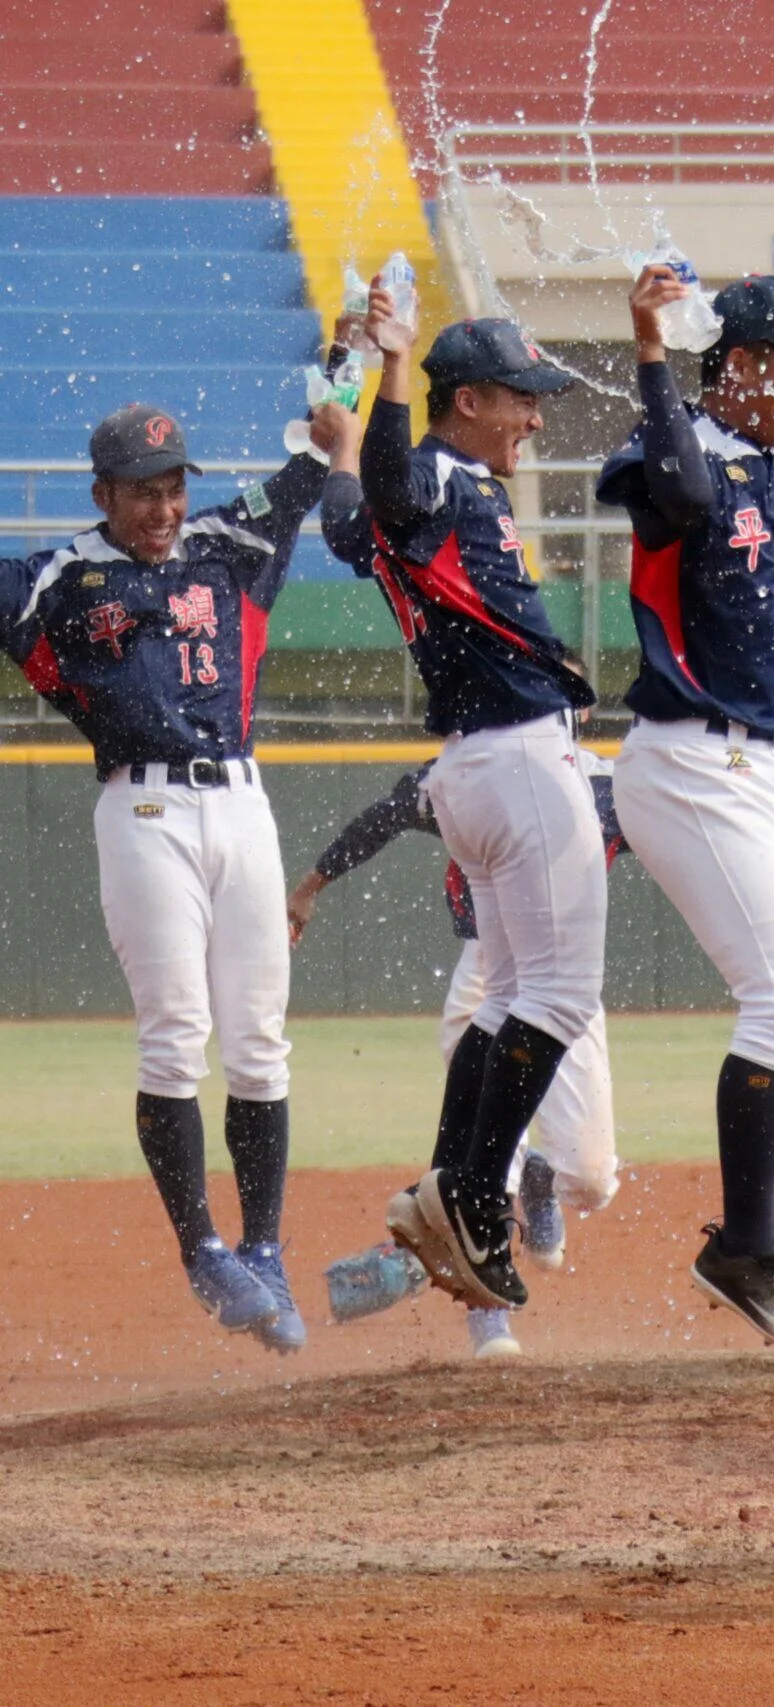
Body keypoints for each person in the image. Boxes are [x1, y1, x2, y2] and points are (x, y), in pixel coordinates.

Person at [0, 399, 358, 1351]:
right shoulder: (57, 579)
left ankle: (266, 1250)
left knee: (259, 1044)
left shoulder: (228, 544)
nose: (161, 508)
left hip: (243, 804)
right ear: (102, 493)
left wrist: (352, 379)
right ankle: (203, 1249)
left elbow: (320, 455)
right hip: (143, 809)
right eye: (141, 493)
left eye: (171, 487)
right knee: (175, 1039)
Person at [596, 265, 774, 1354]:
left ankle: (764, 1241)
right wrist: (651, 348)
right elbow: (675, 486)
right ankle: (747, 1250)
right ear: (743, 364)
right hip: (689, 763)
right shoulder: (672, 454)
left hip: (771, 771)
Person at [331, 290, 603, 1318]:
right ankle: (475, 1198)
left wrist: (340, 411)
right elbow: (390, 487)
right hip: (519, 762)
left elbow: (356, 511)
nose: (536, 418)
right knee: (560, 999)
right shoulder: (433, 474)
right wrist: (391, 370)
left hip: (480, 769)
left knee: (505, 999)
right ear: (470, 397)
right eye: (523, 399)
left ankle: (440, 1190)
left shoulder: (434, 485)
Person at [287, 758, 628, 1358]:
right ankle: (488, 1316)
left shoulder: (607, 789)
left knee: (595, 1177)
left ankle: (544, 1182)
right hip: (489, 975)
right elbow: (384, 817)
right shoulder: (473, 770)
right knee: (489, 1162)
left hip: (570, 977)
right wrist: (312, 885)